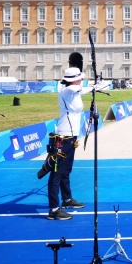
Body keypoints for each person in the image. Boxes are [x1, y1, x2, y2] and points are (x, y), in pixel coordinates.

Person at [45, 67, 92, 220]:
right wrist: (91, 87)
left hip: (71, 137)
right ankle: (53, 209)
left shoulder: (75, 92)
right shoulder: (66, 90)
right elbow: (75, 88)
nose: (81, 81)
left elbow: (80, 90)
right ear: (74, 80)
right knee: (56, 173)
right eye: (79, 78)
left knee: (66, 170)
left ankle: (66, 199)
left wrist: (92, 88)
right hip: (63, 138)